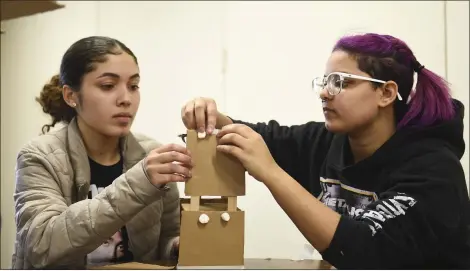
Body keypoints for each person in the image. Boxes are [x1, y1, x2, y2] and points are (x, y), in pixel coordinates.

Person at [181, 33, 470, 269]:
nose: (324, 93)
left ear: (386, 93)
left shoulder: (433, 170)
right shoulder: (328, 141)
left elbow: (364, 254)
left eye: (341, 83)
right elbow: (266, 137)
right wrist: (215, 119)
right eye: (325, 82)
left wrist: (270, 173)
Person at [13, 36, 193, 269]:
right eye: (108, 86)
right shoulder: (39, 156)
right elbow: (42, 245)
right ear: (71, 96)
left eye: (133, 86)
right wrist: (140, 182)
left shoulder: (151, 153)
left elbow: (167, 238)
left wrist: (181, 246)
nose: (125, 99)